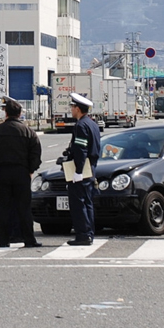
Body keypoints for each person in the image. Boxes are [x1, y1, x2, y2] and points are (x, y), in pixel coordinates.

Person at [0, 98, 43, 248]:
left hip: (2, 173)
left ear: (6, 113)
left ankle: (3, 240)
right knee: (24, 207)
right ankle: (29, 239)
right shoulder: (28, 132)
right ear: (20, 113)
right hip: (22, 173)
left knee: (3, 207)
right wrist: (31, 169)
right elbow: (36, 153)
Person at [64, 93, 101, 245]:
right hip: (91, 167)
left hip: (82, 168)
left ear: (78, 109)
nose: (71, 110)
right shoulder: (92, 124)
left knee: (78, 203)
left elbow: (81, 149)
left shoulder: (81, 126)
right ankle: (89, 233)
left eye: (72, 107)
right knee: (87, 202)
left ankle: (83, 235)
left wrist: (78, 171)